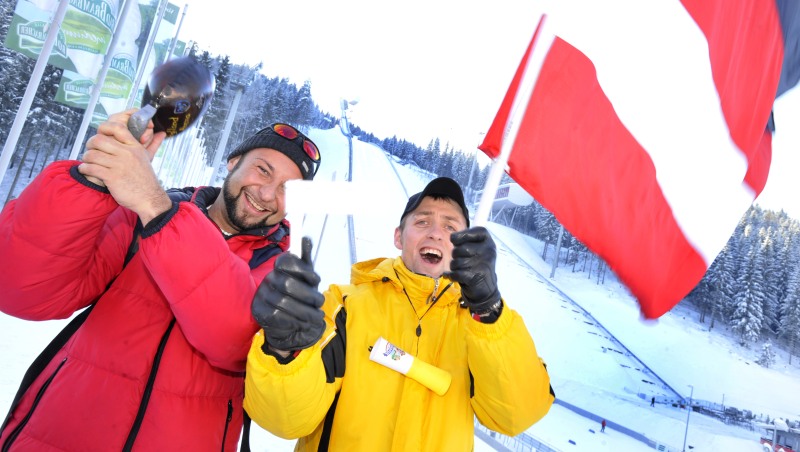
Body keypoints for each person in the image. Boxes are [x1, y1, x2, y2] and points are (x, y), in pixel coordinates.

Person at [0, 110, 321, 450]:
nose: (268, 194)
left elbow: (233, 340)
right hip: (56, 436)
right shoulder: (136, 221)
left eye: (288, 189)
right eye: (262, 170)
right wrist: (93, 179)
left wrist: (159, 210)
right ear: (233, 161)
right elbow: (21, 289)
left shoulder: (283, 274)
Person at [244, 177, 554, 451]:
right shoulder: (344, 306)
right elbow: (285, 421)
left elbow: (517, 415)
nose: (435, 233)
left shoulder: (482, 326)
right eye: (422, 222)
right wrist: (283, 351)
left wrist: (488, 309)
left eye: (450, 226)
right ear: (398, 236)